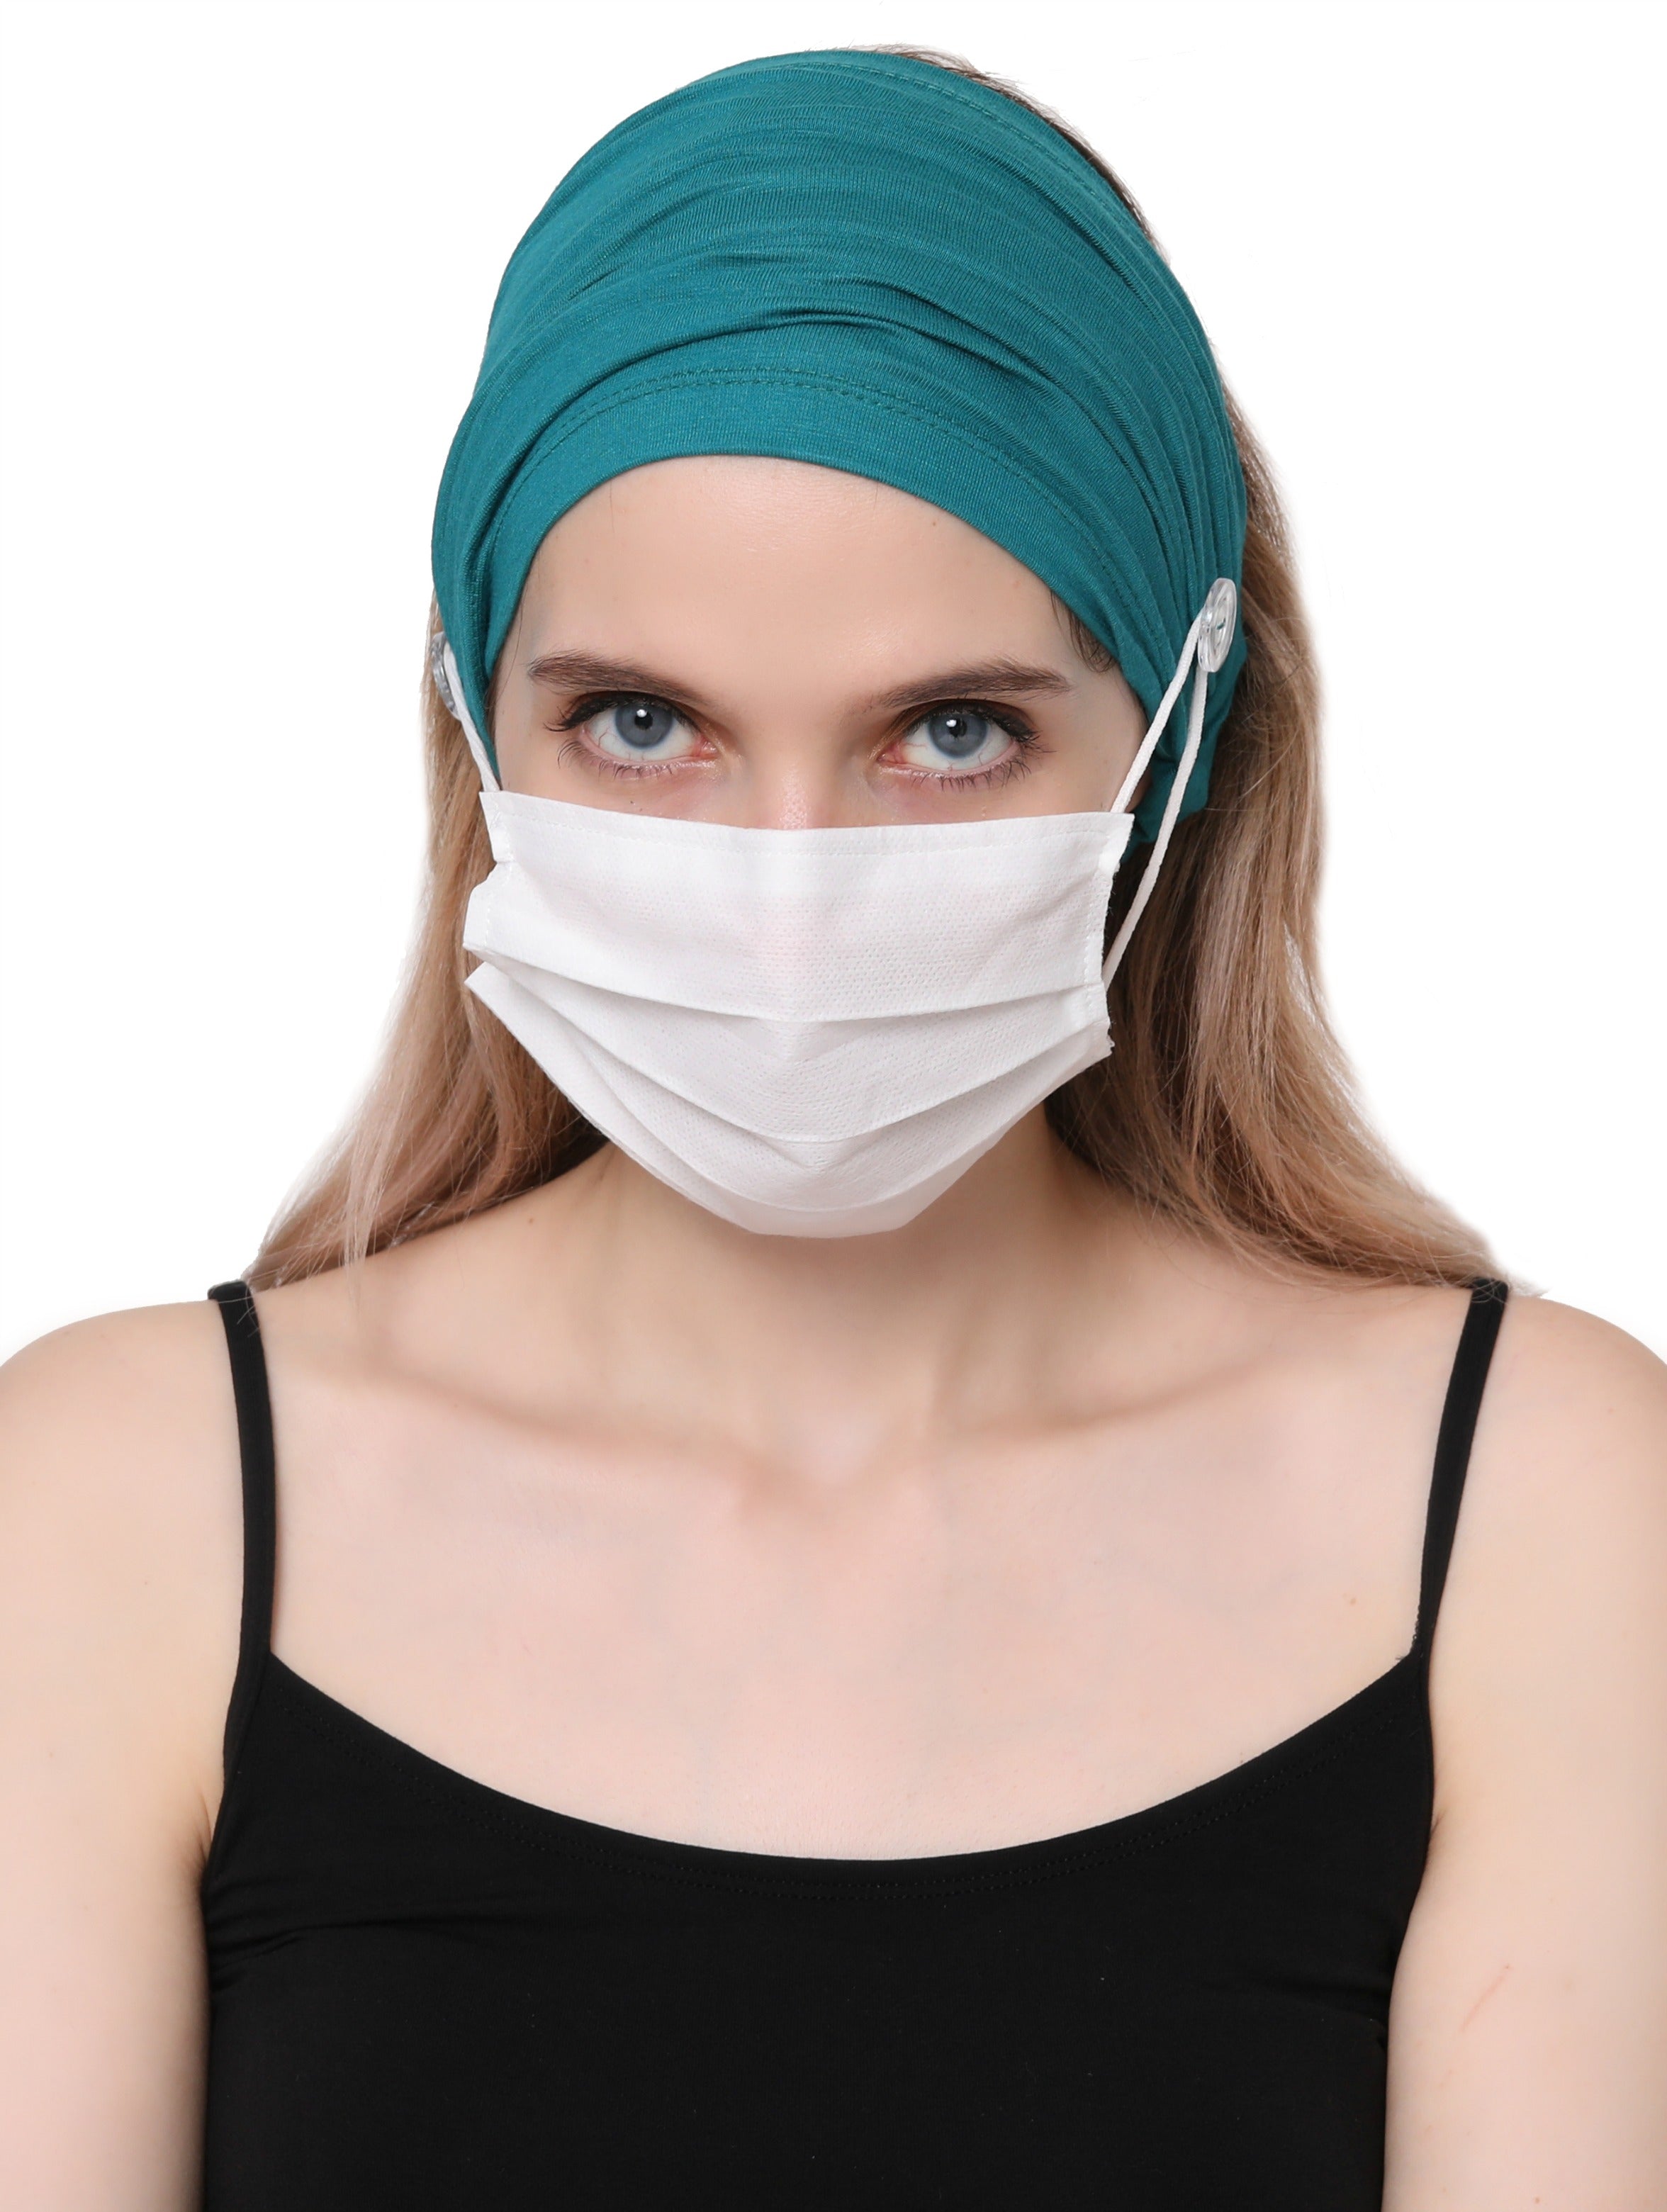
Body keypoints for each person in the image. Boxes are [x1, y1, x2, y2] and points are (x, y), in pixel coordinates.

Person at [1, 45, 1663, 2212]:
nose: (786, 888)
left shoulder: (1540, 1507)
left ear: (1174, 741)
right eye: (642, 722)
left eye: (949, 732)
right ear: (478, 724)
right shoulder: (117, 1505)